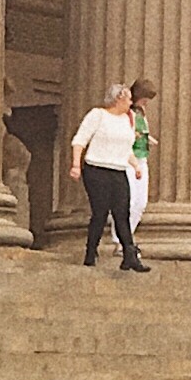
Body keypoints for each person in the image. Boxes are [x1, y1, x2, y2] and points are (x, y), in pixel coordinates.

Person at [69, 82, 148, 271]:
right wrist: (75, 165)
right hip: (96, 169)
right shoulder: (98, 115)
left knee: (123, 212)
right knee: (101, 212)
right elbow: (80, 140)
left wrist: (135, 165)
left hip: (118, 170)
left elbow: (126, 148)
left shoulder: (126, 120)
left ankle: (129, 255)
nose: (131, 102)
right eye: (128, 98)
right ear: (118, 98)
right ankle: (90, 251)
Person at [127, 77, 158, 241]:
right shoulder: (128, 112)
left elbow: (141, 132)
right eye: (145, 98)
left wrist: (148, 139)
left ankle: (128, 234)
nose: (146, 102)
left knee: (141, 202)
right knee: (129, 200)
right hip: (129, 158)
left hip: (142, 157)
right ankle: (121, 239)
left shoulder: (141, 113)